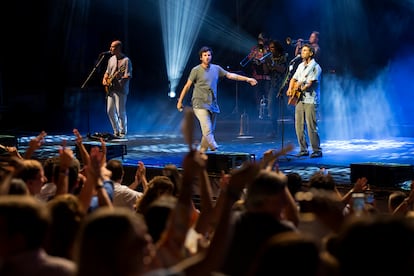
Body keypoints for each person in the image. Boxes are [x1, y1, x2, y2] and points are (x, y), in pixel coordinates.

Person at [176, 46, 257, 152]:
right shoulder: (196, 70)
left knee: (207, 133)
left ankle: (201, 154)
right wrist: (180, 101)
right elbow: (187, 86)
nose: (207, 57)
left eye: (209, 55)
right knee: (208, 130)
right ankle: (216, 149)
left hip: (212, 104)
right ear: (201, 57)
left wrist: (248, 79)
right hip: (199, 104)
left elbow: (231, 75)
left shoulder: (216, 68)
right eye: (204, 55)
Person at [286, 44, 323, 158]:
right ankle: (303, 149)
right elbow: (293, 78)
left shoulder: (315, 67)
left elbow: (310, 84)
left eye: (305, 50)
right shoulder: (300, 66)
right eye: (302, 50)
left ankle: (317, 150)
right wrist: (290, 88)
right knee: (298, 125)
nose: (302, 52)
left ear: (311, 53)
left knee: (311, 126)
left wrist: (299, 87)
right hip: (299, 99)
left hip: (310, 99)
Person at [102, 40, 132, 138]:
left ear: (118, 48)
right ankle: (116, 131)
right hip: (111, 89)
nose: (110, 48)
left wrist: (120, 80)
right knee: (110, 110)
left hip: (120, 90)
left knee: (120, 111)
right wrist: (105, 80)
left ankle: (122, 132)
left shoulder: (126, 60)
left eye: (113, 47)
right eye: (111, 46)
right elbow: (107, 72)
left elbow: (127, 76)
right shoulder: (111, 59)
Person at [264, 39, 288, 137]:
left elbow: (283, 70)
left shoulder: (284, 56)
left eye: (272, 47)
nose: (271, 50)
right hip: (273, 86)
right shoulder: (269, 58)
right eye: (270, 48)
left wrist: (273, 64)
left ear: (277, 48)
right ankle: (274, 131)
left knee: (290, 107)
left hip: (284, 85)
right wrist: (264, 62)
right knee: (271, 108)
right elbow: (266, 71)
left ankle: (298, 129)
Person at [247, 33, 271, 119]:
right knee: (257, 95)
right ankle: (259, 113)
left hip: (267, 76)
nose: (262, 41)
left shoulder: (269, 48)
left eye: (263, 39)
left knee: (268, 95)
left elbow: (271, 58)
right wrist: (255, 57)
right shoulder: (255, 48)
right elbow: (250, 58)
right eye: (260, 39)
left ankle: (269, 112)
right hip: (257, 76)